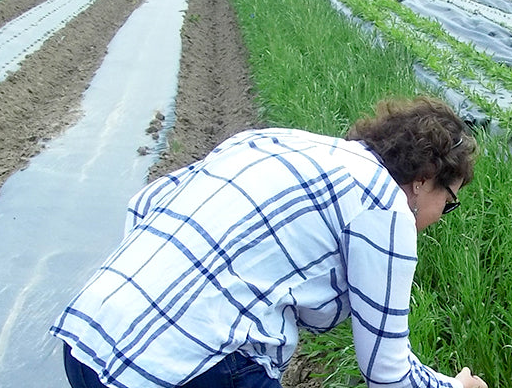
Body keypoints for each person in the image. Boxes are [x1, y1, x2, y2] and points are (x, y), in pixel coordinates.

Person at [52, 96, 487, 388]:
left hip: (91, 336)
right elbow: (386, 371)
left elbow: (145, 204)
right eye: (448, 204)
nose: (438, 219)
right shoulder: (386, 205)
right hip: (186, 367)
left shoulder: (272, 140)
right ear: (423, 179)